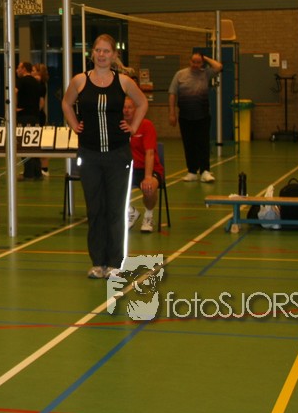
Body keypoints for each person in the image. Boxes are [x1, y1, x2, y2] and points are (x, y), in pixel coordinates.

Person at [62, 34, 149, 279]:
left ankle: (114, 263)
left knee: (115, 210)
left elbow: (142, 103)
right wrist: (74, 125)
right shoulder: (80, 81)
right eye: (98, 50)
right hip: (89, 155)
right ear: (92, 53)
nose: (101, 55)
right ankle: (98, 262)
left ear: (114, 55)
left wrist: (133, 127)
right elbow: (66, 104)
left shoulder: (124, 82)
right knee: (95, 209)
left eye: (106, 51)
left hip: (117, 155)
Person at [168, 51, 222, 183]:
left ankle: (205, 171)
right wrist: (172, 113)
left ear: (202, 63)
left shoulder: (206, 73)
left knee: (203, 144)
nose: (195, 64)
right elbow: (172, 94)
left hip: (202, 116)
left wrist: (206, 58)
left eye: (198, 62)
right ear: (189, 61)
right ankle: (192, 171)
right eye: (193, 61)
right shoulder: (180, 75)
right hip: (185, 116)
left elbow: (219, 67)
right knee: (189, 144)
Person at [123, 96, 164, 233]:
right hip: (128, 168)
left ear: (136, 109)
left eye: (130, 107)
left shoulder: (146, 125)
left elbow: (150, 153)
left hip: (148, 168)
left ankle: (148, 216)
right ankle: (131, 211)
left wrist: (147, 177)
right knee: (106, 184)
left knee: (149, 188)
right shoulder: (118, 126)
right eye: (124, 107)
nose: (126, 110)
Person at [16, 61, 45, 181]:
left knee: (24, 145)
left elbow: (14, 92)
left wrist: (14, 107)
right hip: (35, 117)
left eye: (18, 68)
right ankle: (37, 172)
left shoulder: (21, 81)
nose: (17, 70)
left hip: (23, 116)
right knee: (34, 145)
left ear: (24, 69)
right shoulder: (36, 82)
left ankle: (28, 174)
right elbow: (41, 101)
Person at [34, 62, 52, 178]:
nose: (32, 72)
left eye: (34, 70)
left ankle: (44, 168)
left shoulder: (41, 85)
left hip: (39, 116)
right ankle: (37, 168)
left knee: (41, 142)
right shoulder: (37, 84)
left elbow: (41, 102)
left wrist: (35, 111)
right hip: (37, 115)